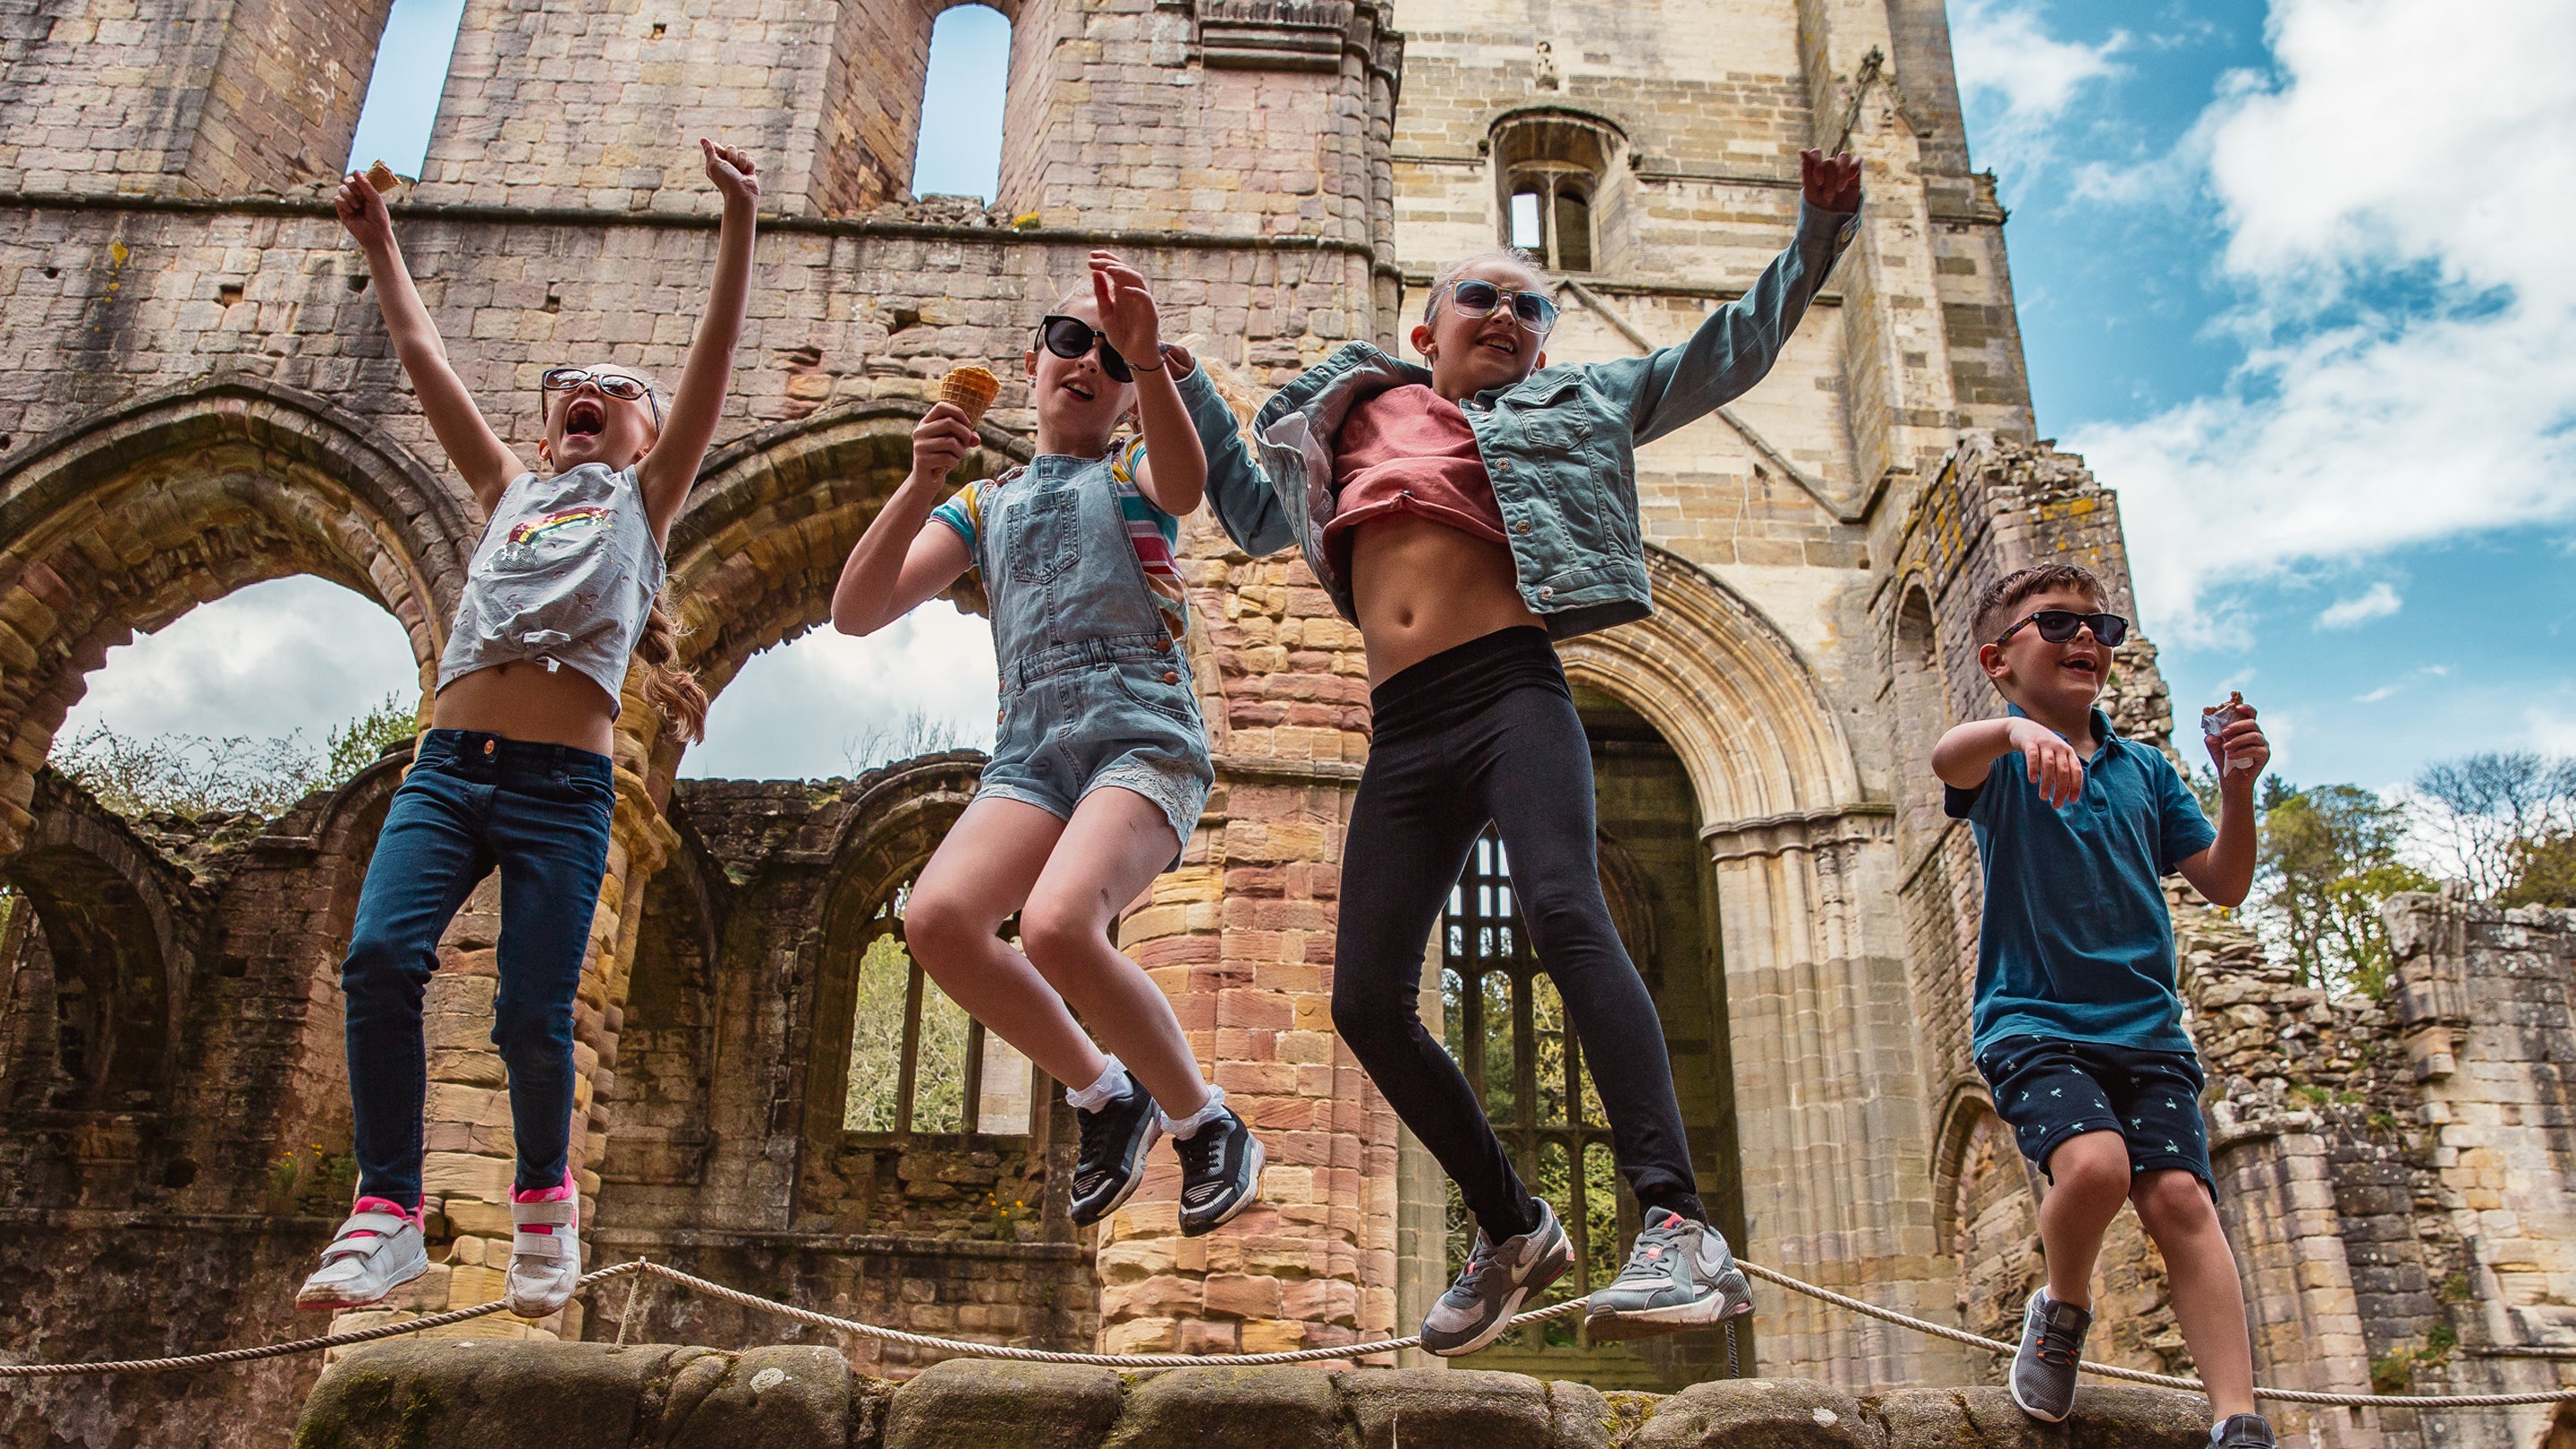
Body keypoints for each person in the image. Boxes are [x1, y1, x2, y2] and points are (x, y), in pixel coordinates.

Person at [1163, 150, 1863, 1354]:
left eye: (1527, 305)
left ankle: (1676, 1223)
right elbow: (1244, 507)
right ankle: (1514, 1226)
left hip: (1511, 694)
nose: (1503, 314)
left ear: (1545, 342)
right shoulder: (1349, 417)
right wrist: (1173, 379)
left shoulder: (1577, 405)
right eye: (1478, 297)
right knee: (1362, 1004)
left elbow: (1731, 351)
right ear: (1421, 326)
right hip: (1407, 730)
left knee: (1564, 910)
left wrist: (1820, 232)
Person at [296, 140, 758, 1318]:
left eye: (621, 389)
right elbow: (420, 355)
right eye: (574, 386)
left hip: (564, 787)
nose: (593, 391)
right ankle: (389, 1212)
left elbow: (710, 362)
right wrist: (380, 244)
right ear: (550, 423)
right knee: (380, 960)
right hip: (447, 772)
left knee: (531, 1015)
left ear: (645, 435)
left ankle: (544, 1205)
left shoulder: (647, 501)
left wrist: (739, 221)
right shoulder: (505, 490)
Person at [827, 252, 1265, 1238]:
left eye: (1111, 355)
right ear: (1032, 360)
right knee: (938, 920)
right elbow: (857, 612)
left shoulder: (1134, 471)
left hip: (1140, 738)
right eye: (1072, 341)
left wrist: (1152, 364)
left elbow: (1190, 487)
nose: (1091, 363)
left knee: (1062, 923)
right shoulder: (983, 504)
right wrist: (916, 483)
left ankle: (1205, 1120)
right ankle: (1108, 1093)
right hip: (1031, 755)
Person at [1930, 563, 2274, 1449]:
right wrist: (2009, 735)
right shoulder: (2001, 760)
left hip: (2149, 1031)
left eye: (2102, 627)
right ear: (1998, 658)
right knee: (2094, 1169)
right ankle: (2065, 1304)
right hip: (2035, 1021)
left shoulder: (2146, 772)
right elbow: (1946, 761)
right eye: (2058, 623)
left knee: (2181, 1206)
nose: (2087, 638)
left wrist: (2237, 786)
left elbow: (2226, 882)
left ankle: (2237, 1418)